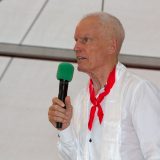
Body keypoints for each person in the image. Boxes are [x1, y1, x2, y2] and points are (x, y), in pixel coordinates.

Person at [48, 12, 160, 160]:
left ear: (111, 46)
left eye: (85, 40)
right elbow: (75, 157)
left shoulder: (138, 91)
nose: (76, 47)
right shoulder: (81, 99)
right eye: (76, 40)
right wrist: (65, 128)